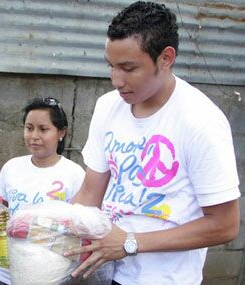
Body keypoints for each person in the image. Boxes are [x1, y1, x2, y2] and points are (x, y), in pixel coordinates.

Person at [66, 2, 241, 284]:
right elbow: (89, 193)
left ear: (166, 58)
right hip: (105, 271)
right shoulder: (107, 107)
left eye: (128, 68)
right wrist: (42, 229)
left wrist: (130, 242)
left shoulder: (201, 121)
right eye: (111, 66)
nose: (116, 80)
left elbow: (225, 225)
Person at [0, 97, 86, 285]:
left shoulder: (74, 174)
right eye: (29, 127)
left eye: (43, 129)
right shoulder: (12, 167)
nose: (34, 135)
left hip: (51, 276)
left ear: (61, 133)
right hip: (9, 272)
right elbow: (1, 209)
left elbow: (79, 230)